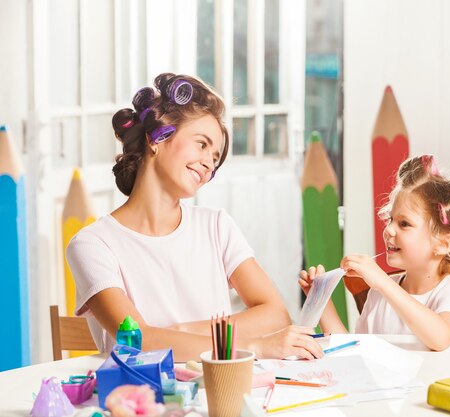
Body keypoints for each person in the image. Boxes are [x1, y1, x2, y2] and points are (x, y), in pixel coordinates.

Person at [67, 73, 322, 361]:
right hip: (140, 400)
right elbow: (140, 341)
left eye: (215, 158)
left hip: (219, 391)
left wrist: (183, 330)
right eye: (202, 144)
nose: (208, 165)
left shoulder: (216, 226)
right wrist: (255, 346)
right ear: (156, 138)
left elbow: (276, 314)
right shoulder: (92, 244)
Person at [299, 155, 450, 351]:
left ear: (443, 244)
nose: (388, 230)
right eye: (390, 220)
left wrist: (382, 282)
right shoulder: (378, 294)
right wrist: (321, 300)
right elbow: (353, 352)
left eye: (404, 224)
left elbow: (441, 338)